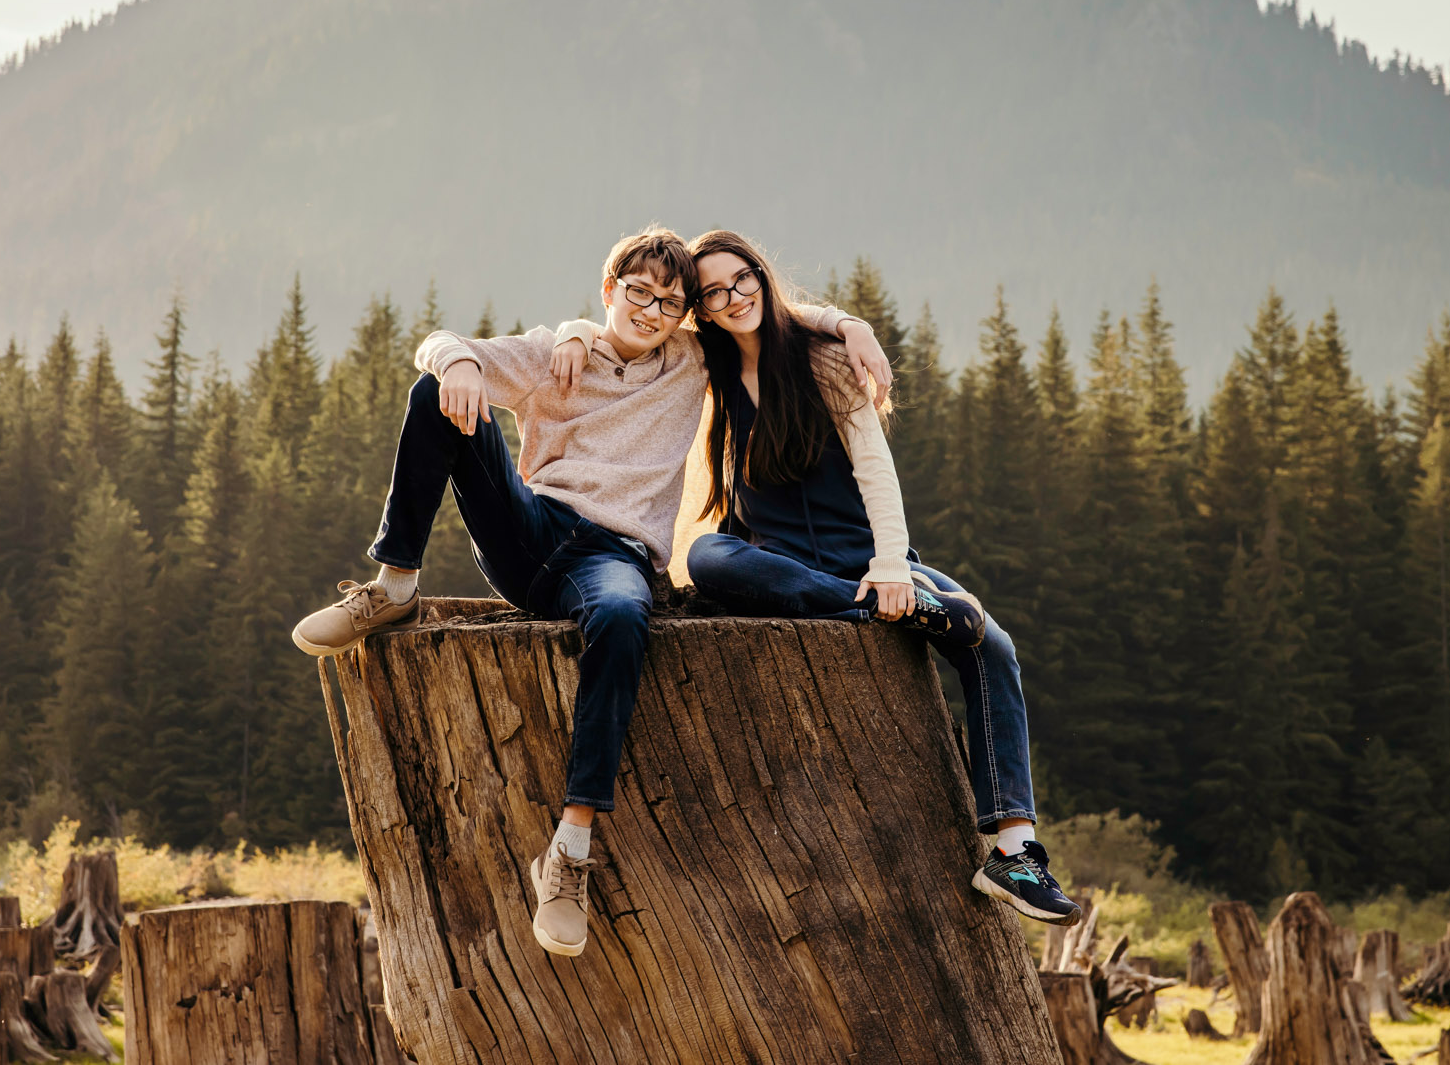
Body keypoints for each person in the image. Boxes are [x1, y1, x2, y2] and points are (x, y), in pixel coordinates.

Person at [292, 226, 891, 957]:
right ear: (609, 290)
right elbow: (439, 345)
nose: (652, 311)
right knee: (437, 392)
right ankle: (394, 585)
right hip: (533, 530)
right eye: (638, 293)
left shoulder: (691, 361)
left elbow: (757, 312)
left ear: (682, 316)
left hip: (614, 557)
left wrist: (849, 324)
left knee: (621, 615)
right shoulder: (554, 353)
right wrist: (460, 362)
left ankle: (570, 852)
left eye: (670, 302)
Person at [670, 229, 1079, 925]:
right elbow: (627, 334)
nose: (732, 297)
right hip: (782, 563)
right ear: (701, 309)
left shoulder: (825, 364)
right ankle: (874, 610)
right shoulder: (703, 369)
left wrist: (891, 567)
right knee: (708, 558)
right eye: (712, 291)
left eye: (741, 279)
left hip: (864, 558)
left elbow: (874, 471)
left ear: (762, 277)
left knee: (993, 644)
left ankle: (1014, 854)